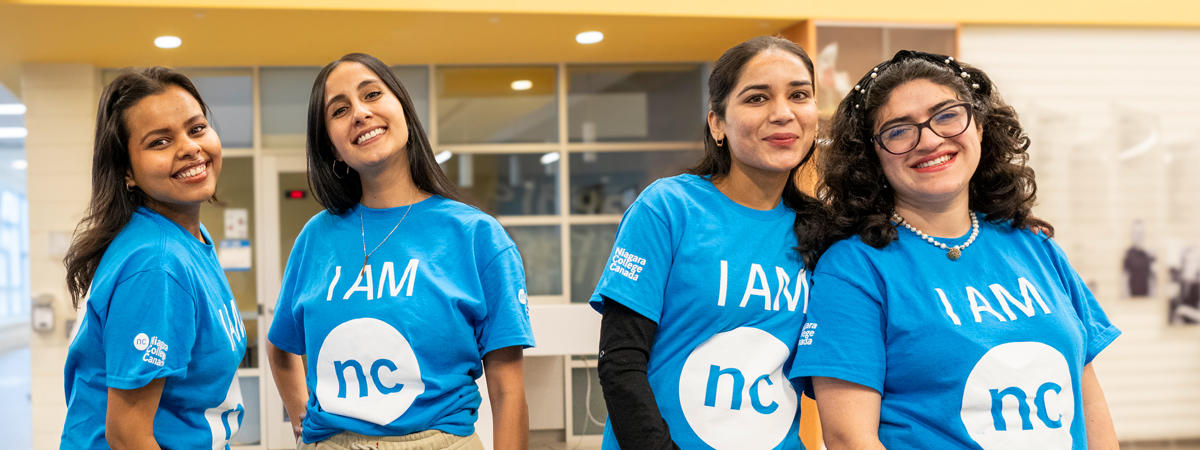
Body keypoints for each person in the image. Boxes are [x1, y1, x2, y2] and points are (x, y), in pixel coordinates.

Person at [791, 50, 1121, 449]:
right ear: (873, 157)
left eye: (947, 115)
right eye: (898, 130)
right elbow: (849, 438)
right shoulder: (854, 269)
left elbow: (1088, 400)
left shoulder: (1036, 247)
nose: (929, 140)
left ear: (979, 126)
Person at [266, 53, 534, 450]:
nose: (360, 113)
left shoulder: (477, 236)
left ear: (403, 110)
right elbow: (281, 346)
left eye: (372, 94)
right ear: (333, 149)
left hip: (439, 441)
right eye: (339, 110)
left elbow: (508, 389)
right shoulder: (315, 238)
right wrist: (299, 417)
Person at [590, 36, 825, 450]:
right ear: (717, 123)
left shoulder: (824, 230)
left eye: (799, 95)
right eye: (756, 98)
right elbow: (621, 362)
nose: (783, 113)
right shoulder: (669, 207)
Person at [61, 66, 247, 449]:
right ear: (127, 171)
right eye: (160, 142)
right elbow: (128, 436)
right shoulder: (157, 262)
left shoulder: (186, 240)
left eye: (196, 129)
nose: (190, 147)